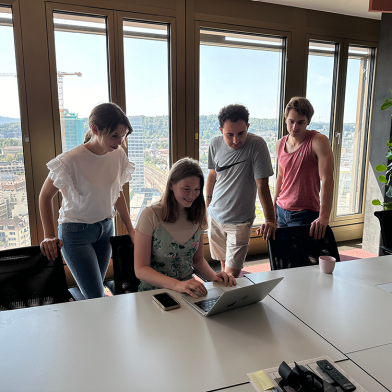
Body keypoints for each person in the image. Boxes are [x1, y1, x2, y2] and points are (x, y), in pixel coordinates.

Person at [39, 102, 136, 299]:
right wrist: (49, 235)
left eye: (123, 136)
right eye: (114, 135)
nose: (119, 142)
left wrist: (130, 228)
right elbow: (45, 196)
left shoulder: (118, 155)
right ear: (95, 129)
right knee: (96, 296)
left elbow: (118, 193)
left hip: (106, 229)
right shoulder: (70, 160)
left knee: (95, 293)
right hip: (76, 235)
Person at [134, 157, 236, 298]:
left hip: (188, 290)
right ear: (171, 185)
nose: (192, 195)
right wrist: (177, 285)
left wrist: (215, 277)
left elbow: (197, 260)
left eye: (197, 189)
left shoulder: (198, 215)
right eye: (186, 189)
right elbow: (141, 269)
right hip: (154, 292)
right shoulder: (150, 215)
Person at [206, 104, 276, 278]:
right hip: (215, 217)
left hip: (240, 221)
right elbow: (212, 176)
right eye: (229, 135)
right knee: (223, 269)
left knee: (231, 274)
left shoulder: (257, 145)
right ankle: (225, 303)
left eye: (241, 133)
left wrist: (270, 219)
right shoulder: (214, 144)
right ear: (221, 130)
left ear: (248, 128)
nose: (236, 140)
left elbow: (262, 186)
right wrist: (207, 205)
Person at [274, 97, 334, 239]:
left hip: (305, 213)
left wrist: (324, 217)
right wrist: (273, 206)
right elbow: (281, 176)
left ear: (308, 121)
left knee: (303, 259)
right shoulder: (280, 144)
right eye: (291, 121)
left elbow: (327, 180)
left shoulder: (318, 141)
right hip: (281, 209)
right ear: (285, 119)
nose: (295, 127)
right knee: (286, 256)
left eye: (300, 122)